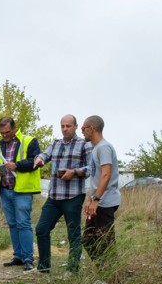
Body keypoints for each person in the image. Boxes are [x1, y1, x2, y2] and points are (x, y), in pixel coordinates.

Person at [31, 114, 90, 273]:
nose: (65, 129)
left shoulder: (84, 144)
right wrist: (39, 159)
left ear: (76, 126)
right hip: (54, 196)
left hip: (73, 196)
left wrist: (74, 172)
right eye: (62, 126)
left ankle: (72, 270)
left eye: (68, 126)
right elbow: (44, 154)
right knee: (41, 229)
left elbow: (92, 168)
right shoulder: (55, 143)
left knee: (73, 234)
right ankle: (44, 267)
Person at [0, 116, 42, 270]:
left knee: (23, 223)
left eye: (7, 132)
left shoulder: (29, 141)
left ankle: (27, 258)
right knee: (12, 224)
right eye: (2, 133)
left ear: (14, 128)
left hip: (22, 191)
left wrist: (16, 165)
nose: (5, 136)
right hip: (5, 190)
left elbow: (35, 161)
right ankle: (18, 256)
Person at [81, 115, 120, 260]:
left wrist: (96, 199)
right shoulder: (96, 148)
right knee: (88, 240)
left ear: (92, 128)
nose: (82, 132)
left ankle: (112, 280)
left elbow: (106, 175)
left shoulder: (104, 147)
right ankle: (105, 274)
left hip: (105, 202)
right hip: (97, 202)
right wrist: (91, 200)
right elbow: (96, 178)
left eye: (83, 128)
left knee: (106, 243)